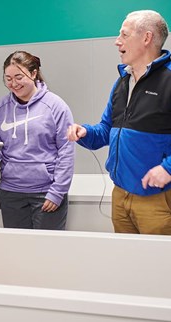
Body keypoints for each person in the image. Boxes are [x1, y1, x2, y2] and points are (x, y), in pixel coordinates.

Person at [67, 10, 171, 235]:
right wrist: (85, 132)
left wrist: (167, 168)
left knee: (158, 267)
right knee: (126, 263)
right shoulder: (122, 82)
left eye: (124, 35)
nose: (117, 41)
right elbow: (106, 130)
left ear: (146, 38)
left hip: (157, 198)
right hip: (120, 194)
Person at [0, 51, 75, 230]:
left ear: (33, 74)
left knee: (46, 252)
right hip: (11, 193)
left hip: (46, 194)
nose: (13, 84)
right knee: (17, 253)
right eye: (8, 78)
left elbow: (66, 151)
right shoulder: (0, 109)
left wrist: (57, 192)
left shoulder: (56, 106)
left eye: (19, 77)